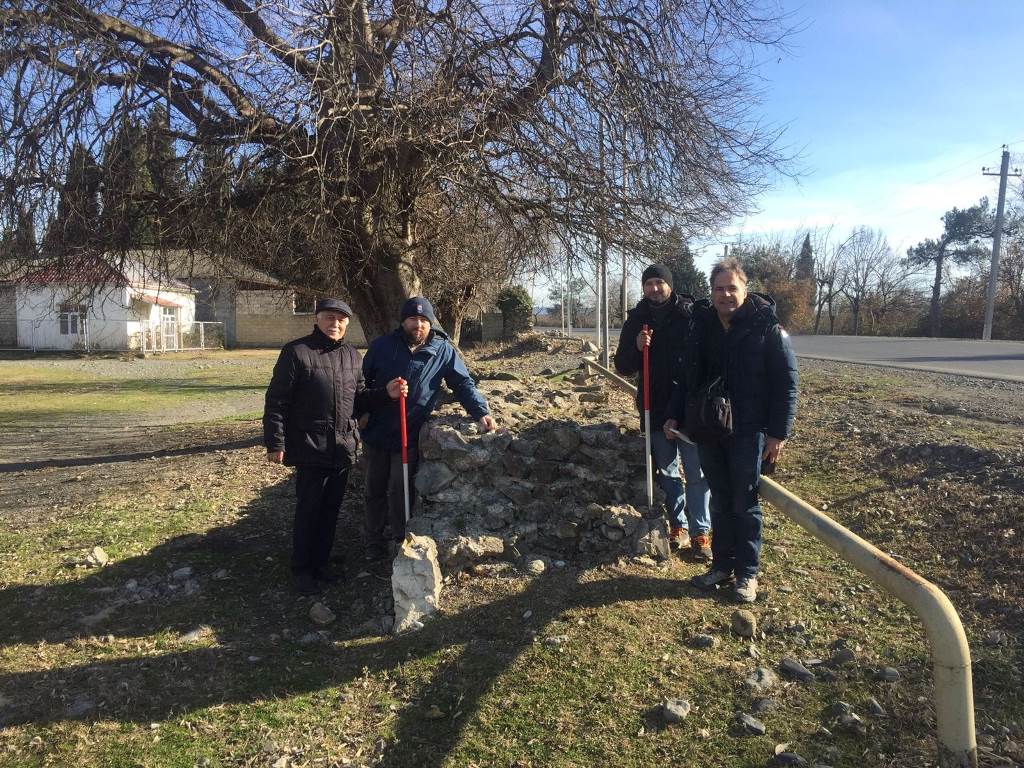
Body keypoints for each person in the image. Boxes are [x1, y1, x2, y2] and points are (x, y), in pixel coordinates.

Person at [665, 258, 798, 603]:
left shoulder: (767, 329)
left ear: (745, 290)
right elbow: (686, 378)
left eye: (731, 288)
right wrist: (674, 416)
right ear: (711, 293)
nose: (725, 295)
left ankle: (747, 574)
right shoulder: (701, 326)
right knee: (720, 500)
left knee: (745, 503)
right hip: (709, 429)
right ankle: (722, 566)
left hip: (749, 431)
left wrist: (777, 434)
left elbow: (786, 385)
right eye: (718, 288)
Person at [263, 298, 406, 595]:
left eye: (341, 319)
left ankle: (322, 563)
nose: (335, 323)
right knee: (308, 509)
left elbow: (360, 397)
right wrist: (276, 442)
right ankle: (302, 570)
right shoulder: (297, 352)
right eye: (329, 317)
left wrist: (387, 394)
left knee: (330, 510)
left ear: (347, 324)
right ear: (317, 319)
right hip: (309, 445)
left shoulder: (352, 356)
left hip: (342, 448)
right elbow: (277, 401)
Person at [360, 297, 497, 560]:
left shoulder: (443, 350)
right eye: (413, 319)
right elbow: (360, 384)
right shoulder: (382, 346)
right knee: (374, 488)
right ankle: (373, 540)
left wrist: (481, 412)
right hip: (377, 430)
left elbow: (463, 384)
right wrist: (363, 411)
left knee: (402, 490)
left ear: (431, 323)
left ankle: (401, 539)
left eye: (424, 320)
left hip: (409, 432)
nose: (418, 325)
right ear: (403, 321)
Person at [614, 264, 712, 560]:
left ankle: (701, 531)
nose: (655, 288)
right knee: (668, 472)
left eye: (660, 282)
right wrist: (636, 346)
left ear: (670, 285)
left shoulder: (690, 314)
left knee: (696, 472)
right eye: (649, 284)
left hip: (689, 408)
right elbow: (623, 366)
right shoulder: (637, 319)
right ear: (643, 288)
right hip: (654, 407)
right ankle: (677, 526)